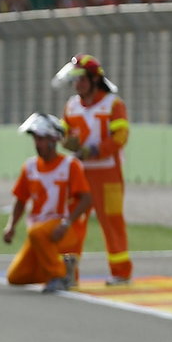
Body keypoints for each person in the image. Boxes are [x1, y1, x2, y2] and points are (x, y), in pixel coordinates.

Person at [53, 54, 131, 285]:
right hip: (79, 174)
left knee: (112, 222)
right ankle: (68, 272)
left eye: (82, 80)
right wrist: (65, 141)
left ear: (94, 80)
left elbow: (120, 137)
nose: (77, 85)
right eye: (75, 81)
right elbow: (64, 132)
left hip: (108, 175)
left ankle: (121, 272)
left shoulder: (113, 104)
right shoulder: (72, 105)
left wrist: (95, 150)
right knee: (72, 222)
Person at [3, 113, 93, 293]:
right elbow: (20, 199)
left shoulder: (70, 165)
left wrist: (67, 223)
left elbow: (86, 198)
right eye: (36, 139)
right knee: (15, 276)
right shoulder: (29, 167)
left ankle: (58, 276)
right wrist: (11, 226)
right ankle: (65, 271)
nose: (37, 144)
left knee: (37, 232)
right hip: (38, 233)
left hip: (64, 229)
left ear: (53, 140)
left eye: (42, 139)